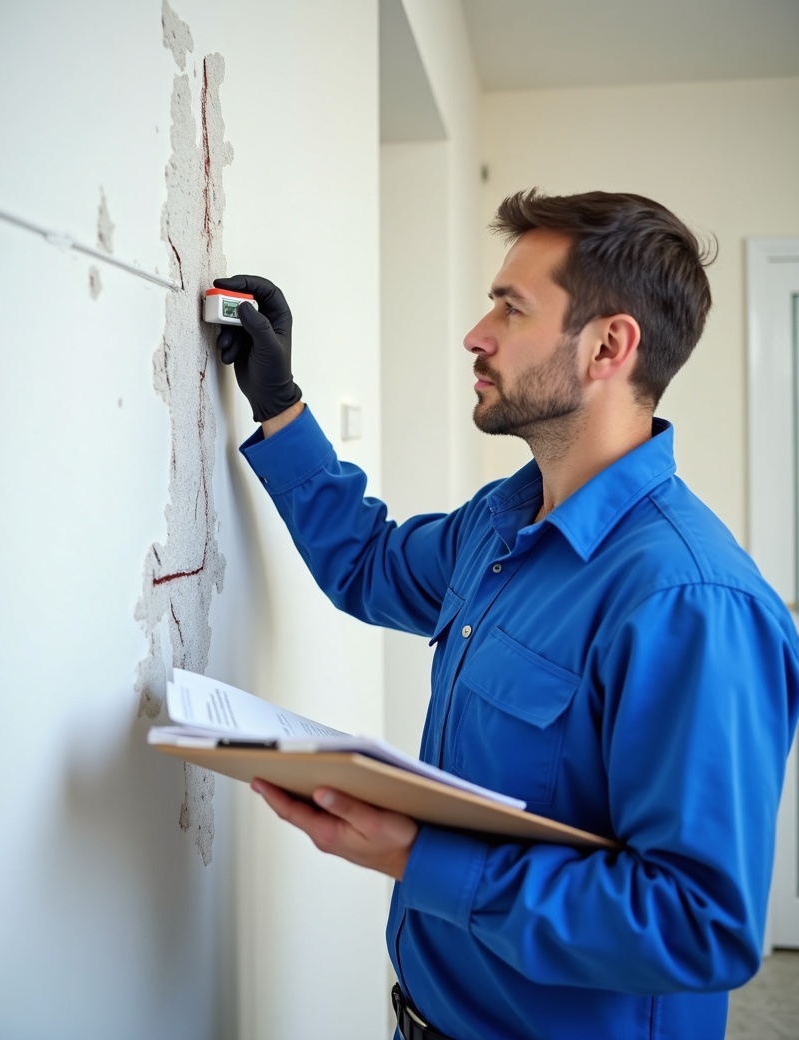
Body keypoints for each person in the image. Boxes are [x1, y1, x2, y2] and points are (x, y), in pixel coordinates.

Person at [213, 188, 799, 1040]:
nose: (476, 333)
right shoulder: (501, 519)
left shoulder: (691, 604)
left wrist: (418, 858)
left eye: (510, 308)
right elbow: (369, 564)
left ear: (609, 345)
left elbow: (697, 924)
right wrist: (281, 405)